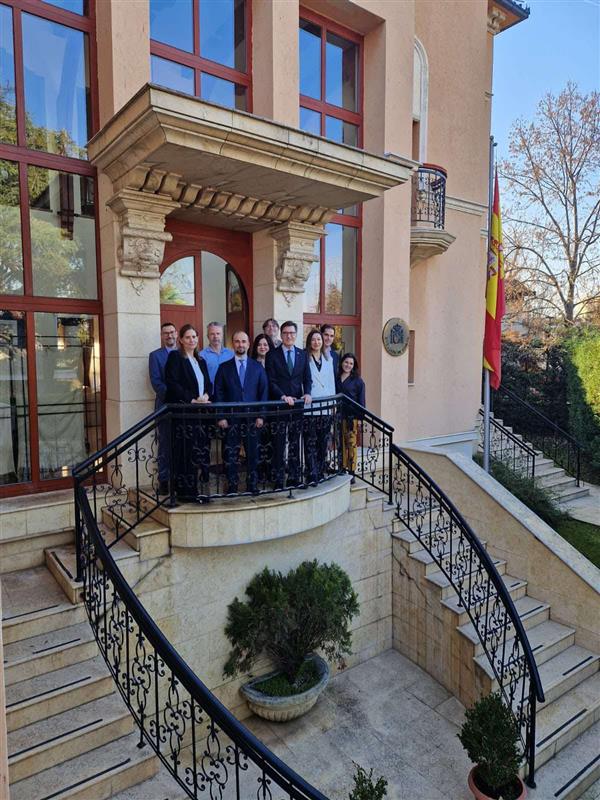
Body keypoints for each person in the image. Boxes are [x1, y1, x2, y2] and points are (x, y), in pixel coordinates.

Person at [214, 331, 269, 494]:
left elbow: (263, 393)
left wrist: (261, 415)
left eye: (243, 341)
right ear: (233, 344)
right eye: (237, 341)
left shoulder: (257, 367)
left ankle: (252, 485)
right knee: (231, 453)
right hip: (231, 419)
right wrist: (221, 416)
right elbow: (218, 393)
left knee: (253, 453)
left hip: (252, 419)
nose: (240, 345)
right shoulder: (224, 368)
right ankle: (232, 486)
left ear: (249, 344)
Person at [165, 324, 212, 501]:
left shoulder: (201, 360)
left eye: (194, 337)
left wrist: (206, 395)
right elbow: (172, 383)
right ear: (181, 340)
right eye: (188, 337)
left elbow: (208, 384)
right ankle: (184, 492)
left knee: (196, 451)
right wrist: (191, 399)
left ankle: (194, 488)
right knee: (184, 452)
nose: (191, 340)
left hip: (200, 413)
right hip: (184, 413)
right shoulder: (175, 357)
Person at [265, 321, 312, 488]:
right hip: (280, 405)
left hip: (297, 405)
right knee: (278, 443)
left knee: (294, 442)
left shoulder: (302, 354)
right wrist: (282, 396)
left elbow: (307, 378)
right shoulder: (272, 355)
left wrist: (308, 393)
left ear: (296, 335)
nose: (289, 336)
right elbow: (271, 380)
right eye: (285, 333)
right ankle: (278, 479)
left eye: (292, 333)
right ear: (281, 334)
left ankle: (294, 476)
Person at [304, 329, 337, 485]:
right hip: (310, 406)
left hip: (325, 406)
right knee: (310, 442)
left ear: (322, 342)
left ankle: (320, 469)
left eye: (319, 339)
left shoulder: (328, 359)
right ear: (309, 342)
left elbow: (331, 382)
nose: (316, 342)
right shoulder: (304, 358)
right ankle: (311, 473)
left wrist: (333, 403)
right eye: (313, 339)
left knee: (322, 442)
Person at [148, 321, 177, 492]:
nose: (169, 335)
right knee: (165, 443)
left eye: (172, 332)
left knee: (182, 443)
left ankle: (180, 478)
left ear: (176, 334)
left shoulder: (185, 353)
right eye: (166, 333)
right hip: (165, 406)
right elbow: (156, 382)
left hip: (184, 407)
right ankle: (164, 480)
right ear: (162, 336)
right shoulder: (155, 356)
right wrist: (175, 396)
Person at [337, 353, 366, 479]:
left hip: (351, 417)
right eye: (346, 362)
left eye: (351, 363)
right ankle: (342, 467)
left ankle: (352, 471)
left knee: (351, 444)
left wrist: (359, 419)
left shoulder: (358, 381)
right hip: (339, 416)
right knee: (341, 443)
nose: (348, 365)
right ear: (342, 363)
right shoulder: (337, 377)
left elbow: (362, 401)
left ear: (354, 366)